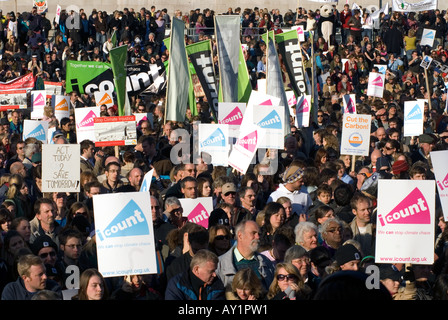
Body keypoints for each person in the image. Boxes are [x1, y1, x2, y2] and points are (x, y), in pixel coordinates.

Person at [216, 220, 275, 292]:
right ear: (240, 236)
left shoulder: (265, 262)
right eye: (253, 233)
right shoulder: (220, 264)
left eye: (259, 234)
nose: (258, 237)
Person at [349, 192, 375, 256]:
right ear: (354, 211)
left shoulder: (378, 228)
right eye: (363, 210)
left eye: (369, 209)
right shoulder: (347, 229)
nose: (367, 212)